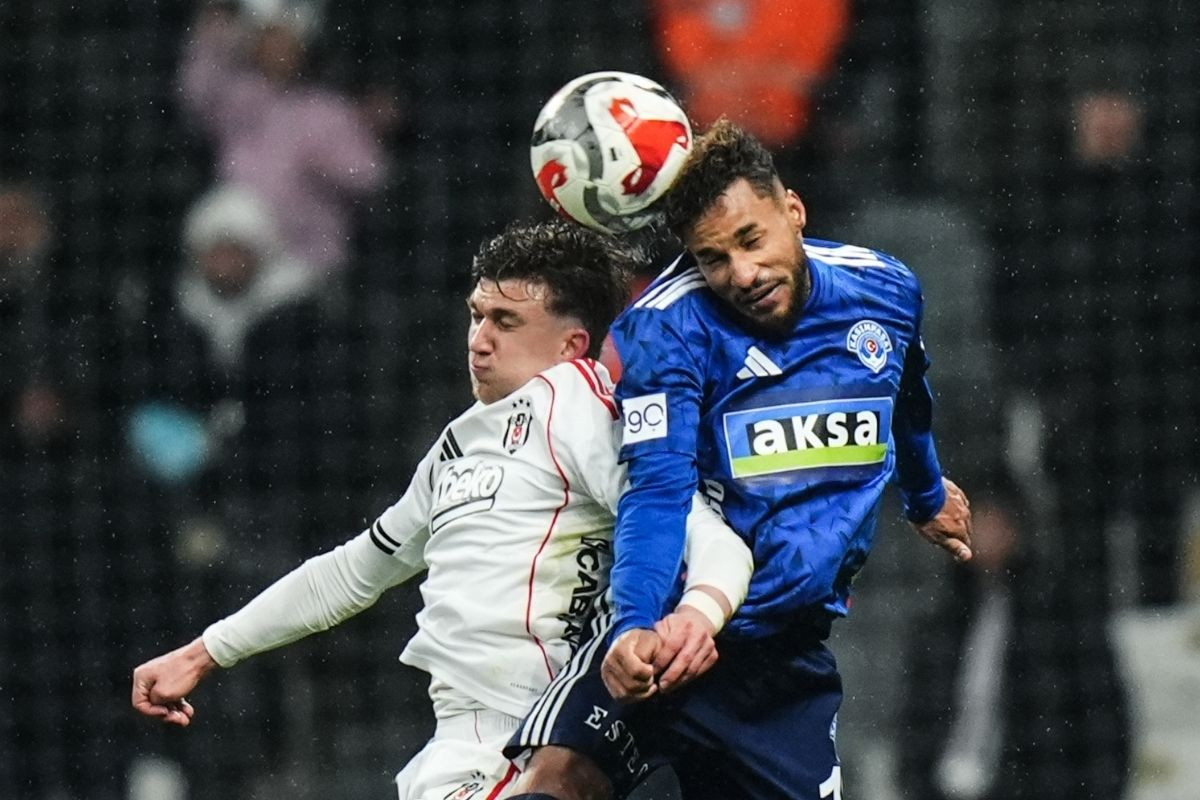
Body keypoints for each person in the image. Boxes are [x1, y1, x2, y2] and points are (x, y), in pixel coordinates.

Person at [130, 219, 754, 800]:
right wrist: (205, 651)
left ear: (573, 344)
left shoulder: (577, 403)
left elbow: (711, 537)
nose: (479, 341)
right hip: (461, 746)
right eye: (476, 315)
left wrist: (696, 616)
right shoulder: (459, 441)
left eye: (506, 322)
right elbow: (350, 572)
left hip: (543, 737)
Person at [504, 118, 973, 800]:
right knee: (558, 781)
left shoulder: (885, 292)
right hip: (670, 629)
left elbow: (906, 395)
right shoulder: (666, 326)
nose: (741, 274)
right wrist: (633, 626)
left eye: (751, 240)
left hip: (784, 659)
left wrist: (926, 495)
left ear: (794, 211)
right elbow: (657, 492)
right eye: (713, 258)